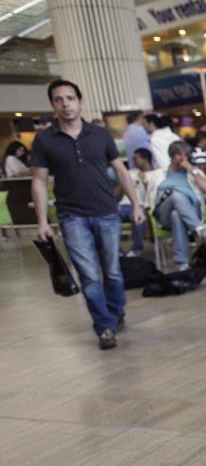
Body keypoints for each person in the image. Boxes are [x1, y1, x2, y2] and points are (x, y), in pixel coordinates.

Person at [31, 79, 146, 350]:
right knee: (90, 275)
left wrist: (136, 204)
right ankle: (104, 326)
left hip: (107, 211)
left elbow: (120, 170)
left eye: (70, 98)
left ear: (80, 102)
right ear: (53, 105)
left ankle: (116, 312)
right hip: (72, 217)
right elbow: (38, 181)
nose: (66, 104)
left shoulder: (100, 134)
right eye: (59, 99)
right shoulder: (45, 140)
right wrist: (42, 221)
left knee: (113, 271)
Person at [155, 141, 206, 270]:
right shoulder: (160, 174)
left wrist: (192, 170)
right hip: (163, 212)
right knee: (176, 196)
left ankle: (182, 264)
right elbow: (151, 199)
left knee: (176, 215)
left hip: (190, 212)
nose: (183, 158)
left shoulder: (194, 172)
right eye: (179, 155)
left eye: (185, 155)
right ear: (171, 156)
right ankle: (200, 230)